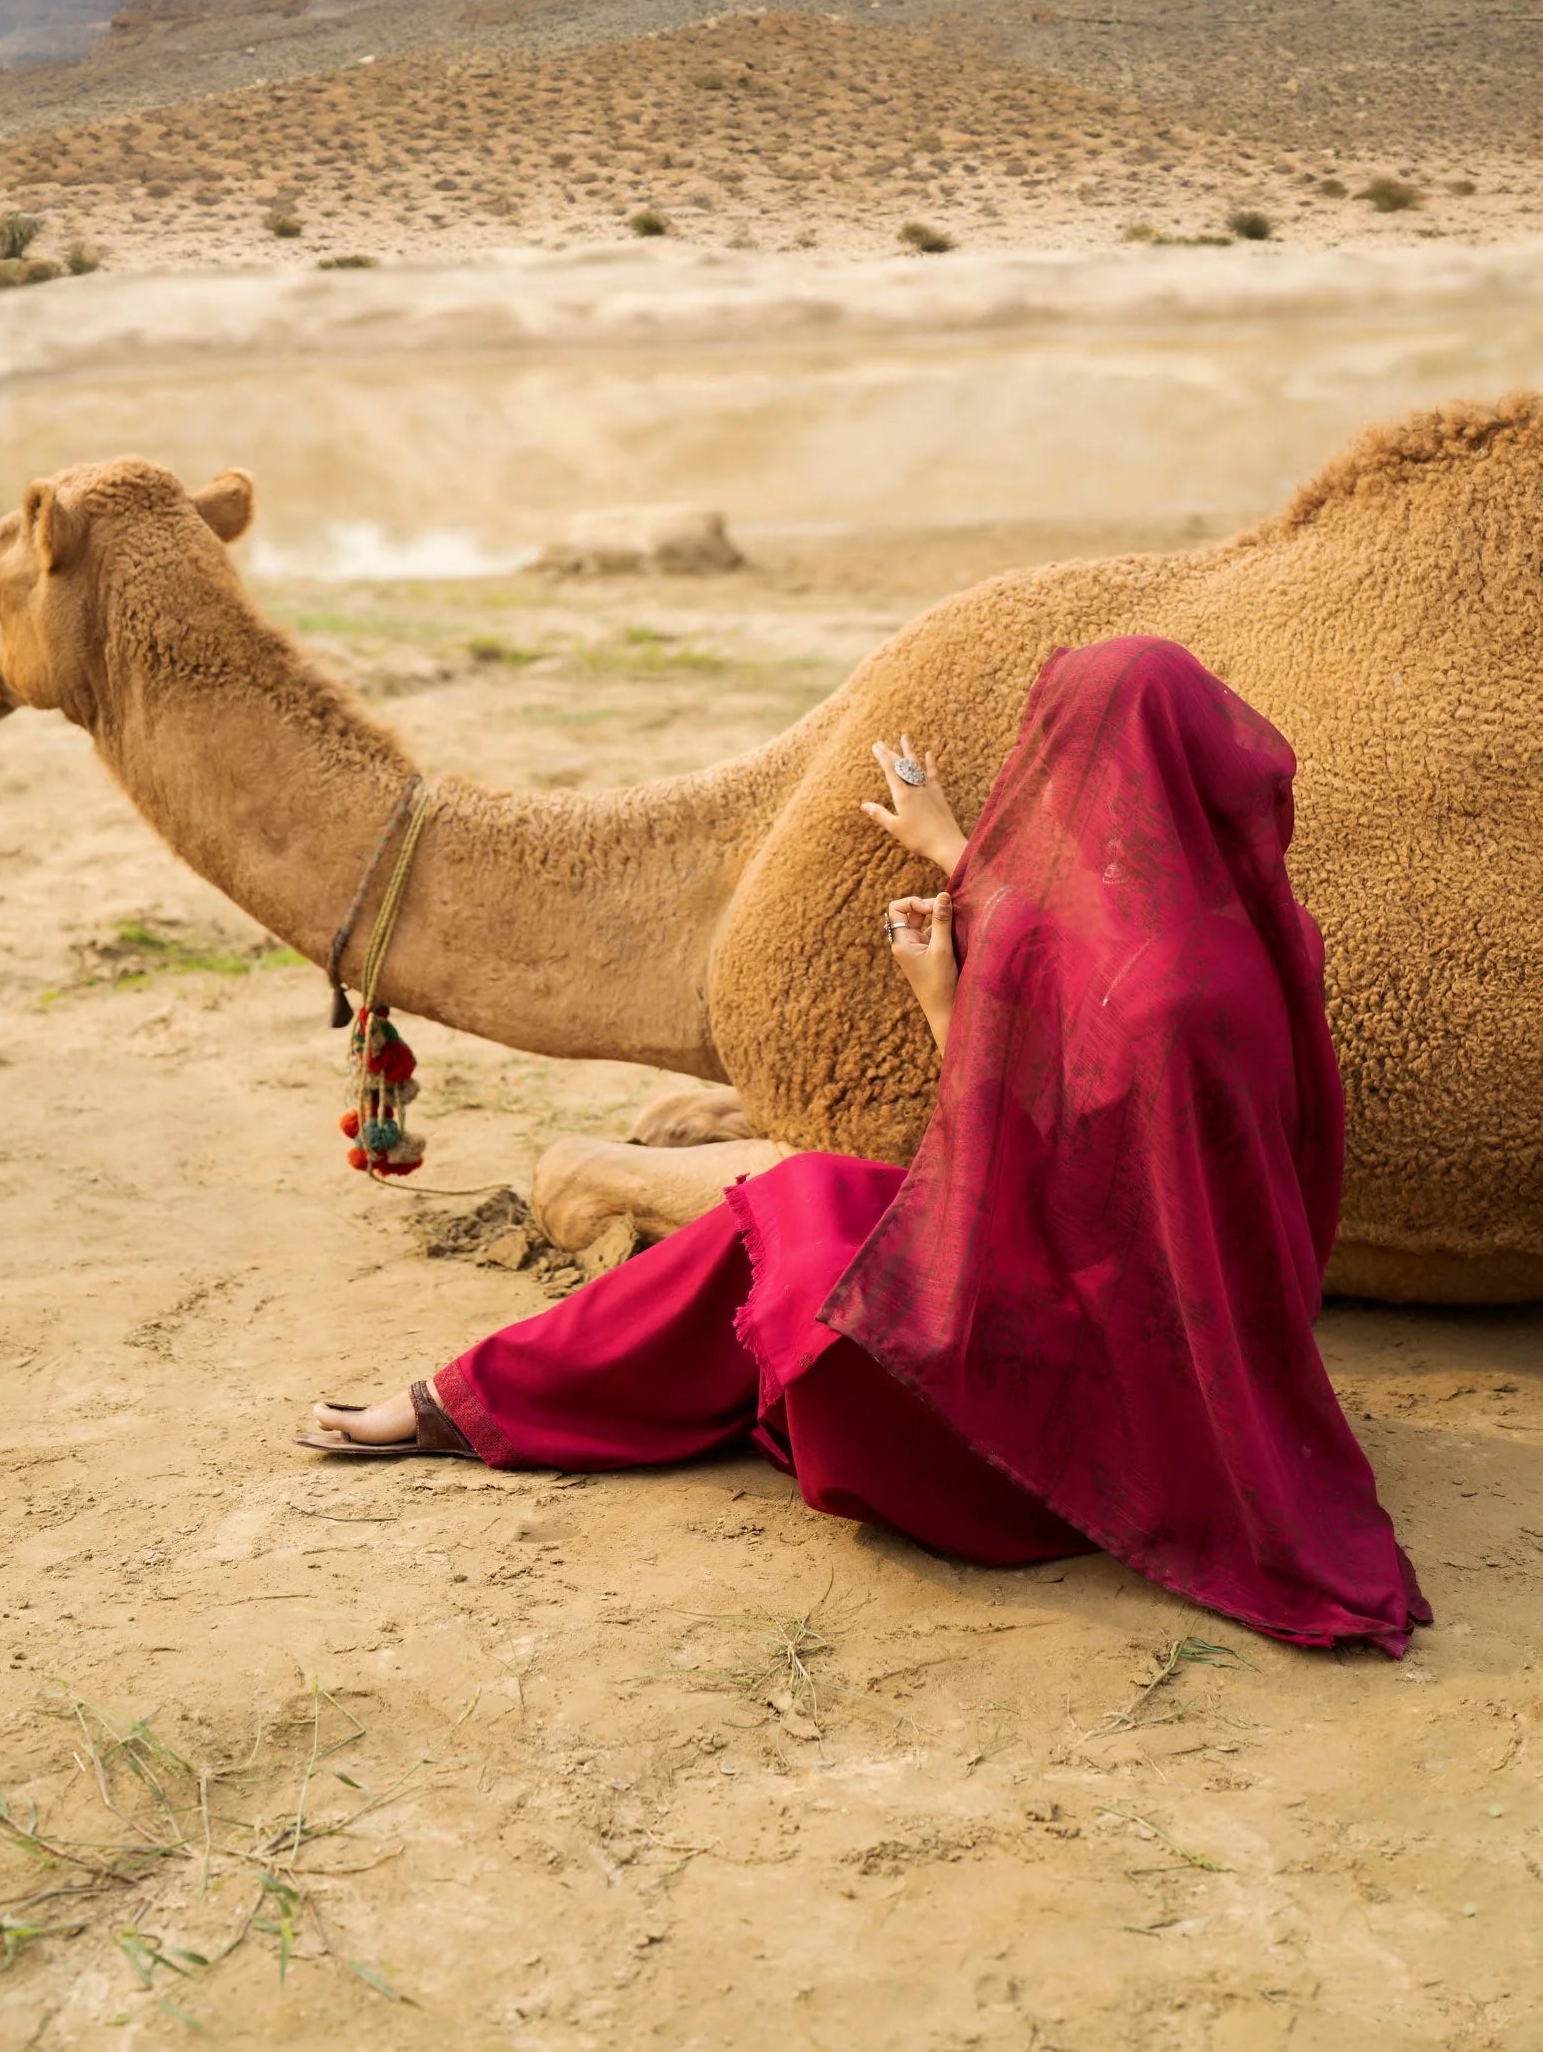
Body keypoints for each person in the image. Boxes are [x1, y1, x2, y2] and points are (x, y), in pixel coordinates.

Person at [300, 636, 1429, 1656]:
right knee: (816, 1195)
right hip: (1201, 1346)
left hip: (1077, 1425)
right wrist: (958, 862)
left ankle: (474, 1401)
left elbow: (1013, 1163)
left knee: (792, 1218)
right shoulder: (1239, 942)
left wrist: (942, 998)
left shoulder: (1127, 993)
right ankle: (484, 1395)